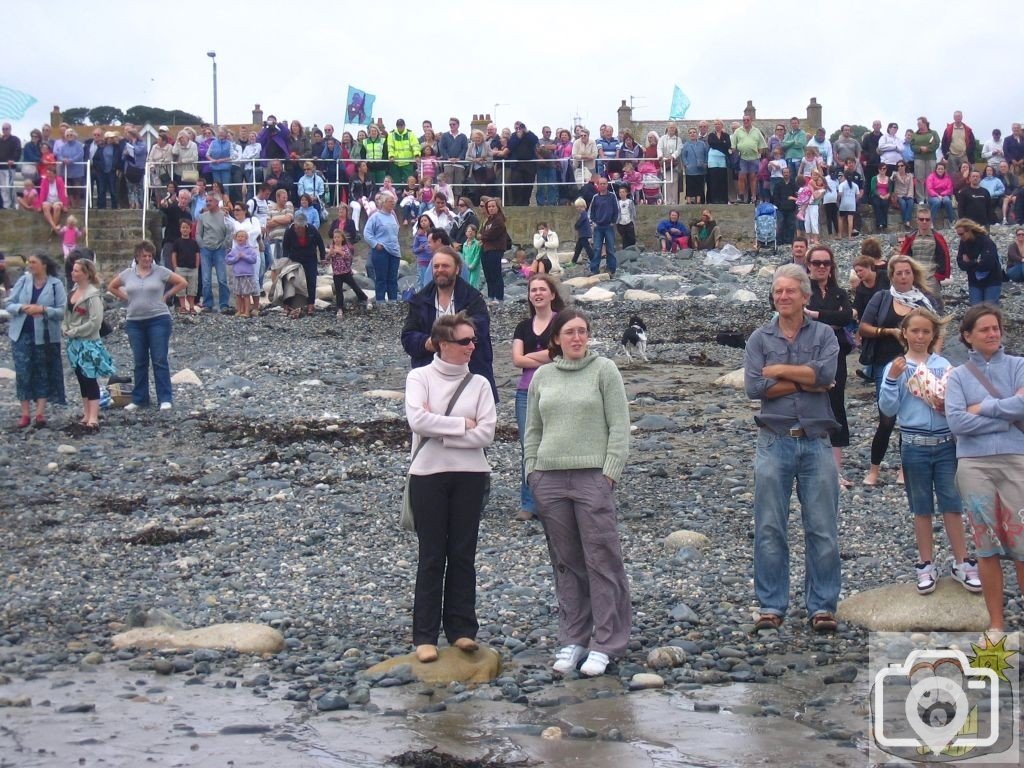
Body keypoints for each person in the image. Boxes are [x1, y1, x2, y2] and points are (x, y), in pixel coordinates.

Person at [525, 308, 631, 675]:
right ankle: (573, 639)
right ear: (555, 338)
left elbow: (619, 426)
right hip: (549, 479)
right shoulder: (542, 375)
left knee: (602, 560)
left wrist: (609, 474)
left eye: (582, 331)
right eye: (569, 332)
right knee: (566, 563)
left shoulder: (604, 371)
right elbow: (533, 429)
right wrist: (531, 471)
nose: (576, 338)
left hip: (592, 478)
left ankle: (606, 642)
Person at [744, 264, 841, 634]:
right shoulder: (759, 339)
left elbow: (826, 376)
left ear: (804, 296)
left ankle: (822, 606)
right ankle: (771, 605)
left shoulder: (825, 335)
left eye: (789, 291)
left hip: (816, 441)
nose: (782, 297)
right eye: (777, 292)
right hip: (773, 440)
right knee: (770, 527)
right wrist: (806, 381)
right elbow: (755, 388)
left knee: (822, 528)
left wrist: (779, 370)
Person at [404, 312, 496, 663]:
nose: (473, 346)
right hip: (428, 475)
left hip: (471, 475)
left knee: (463, 553)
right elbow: (417, 420)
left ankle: (461, 630)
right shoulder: (419, 377)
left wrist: (442, 430)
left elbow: (486, 434)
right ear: (443, 345)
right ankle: (424, 635)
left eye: (474, 340)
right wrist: (462, 425)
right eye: (465, 341)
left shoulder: (481, 385)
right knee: (431, 555)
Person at [878, 308, 982, 595]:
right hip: (914, 444)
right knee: (921, 506)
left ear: (933, 334)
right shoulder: (895, 367)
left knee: (952, 504)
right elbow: (887, 410)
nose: (920, 336)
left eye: (926, 331)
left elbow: (956, 402)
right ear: (905, 334)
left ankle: (961, 561)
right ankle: (926, 563)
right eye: (915, 331)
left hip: (946, 444)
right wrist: (890, 380)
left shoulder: (944, 365)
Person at [945, 305, 1024, 632]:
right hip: (974, 465)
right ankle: (995, 624)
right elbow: (957, 422)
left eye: (996, 328)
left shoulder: (1019, 365)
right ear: (967, 336)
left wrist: (985, 408)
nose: (993, 334)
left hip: (1016, 462)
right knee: (986, 545)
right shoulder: (958, 376)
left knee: (1022, 544)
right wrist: (1003, 418)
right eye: (984, 330)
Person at [859, 255, 943, 486]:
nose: (904, 277)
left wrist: (934, 358)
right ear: (891, 276)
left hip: (918, 365)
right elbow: (863, 327)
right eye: (899, 273)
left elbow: (938, 329)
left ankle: (904, 470)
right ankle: (874, 469)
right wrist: (887, 332)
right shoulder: (882, 297)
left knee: (910, 417)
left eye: (907, 272)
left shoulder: (926, 300)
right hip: (885, 363)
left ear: (913, 274)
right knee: (886, 418)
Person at [401, 247, 497, 403]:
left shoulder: (472, 298)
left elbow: (480, 327)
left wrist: (448, 340)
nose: (440, 270)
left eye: (445, 266)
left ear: (457, 269)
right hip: (431, 374)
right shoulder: (420, 299)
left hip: (469, 373)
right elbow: (408, 336)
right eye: (436, 266)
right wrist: (428, 343)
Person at [107, 241, 187, 411]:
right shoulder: (128, 274)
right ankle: (139, 398)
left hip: (158, 319)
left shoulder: (160, 272)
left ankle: (165, 398)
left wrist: (167, 295)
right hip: (134, 321)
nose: (147, 259)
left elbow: (181, 282)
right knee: (139, 361)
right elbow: (112, 286)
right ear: (137, 256)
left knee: (159, 359)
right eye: (144, 255)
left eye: (150, 256)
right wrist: (125, 298)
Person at [512, 274, 565, 522]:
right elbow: (516, 360)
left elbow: (561, 352)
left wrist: (534, 357)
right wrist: (546, 354)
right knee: (528, 447)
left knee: (554, 444)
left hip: (556, 390)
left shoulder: (561, 323)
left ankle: (554, 501)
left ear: (552, 294)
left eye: (542, 289)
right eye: (533, 290)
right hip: (526, 392)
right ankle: (529, 502)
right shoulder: (523, 326)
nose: (538, 294)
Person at [804, 246, 854, 487]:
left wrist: (814, 315)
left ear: (832, 266)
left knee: (836, 406)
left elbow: (847, 318)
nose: (821, 267)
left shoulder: (839, 292)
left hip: (836, 356)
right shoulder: (804, 291)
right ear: (809, 265)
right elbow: (798, 316)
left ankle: (835, 470)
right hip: (807, 355)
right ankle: (809, 466)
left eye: (826, 263)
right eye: (816, 262)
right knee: (809, 404)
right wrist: (829, 318)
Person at [6, 253, 66, 427]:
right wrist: (22, 307)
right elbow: (9, 303)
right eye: (29, 262)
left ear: (44, 264)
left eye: (33, 262)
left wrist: (43, 309)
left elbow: (62, 311)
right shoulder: (23, 281)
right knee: (23, 373)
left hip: (46, 336)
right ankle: (25, 413)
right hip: (21, 334)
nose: (30, 265)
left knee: (43, 371)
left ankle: (40, 413)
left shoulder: (56, 284)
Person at [62, 258, 115, 432]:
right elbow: (67, 315)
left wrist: (76, 330)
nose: (73, 273)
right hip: (74, 344)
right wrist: (65, 327)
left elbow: (96, 322)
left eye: (77, 270)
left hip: (89, 343)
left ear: (86, 274)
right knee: (81, 379)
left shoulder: (93, 295)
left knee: (90, 378)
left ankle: (94, 416)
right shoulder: (73, 291)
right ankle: (86, 414)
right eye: (73, 270)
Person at [282, 211, 326, 316]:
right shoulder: (289, 231)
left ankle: (311, 303)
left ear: (305, 225)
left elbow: (320, 243)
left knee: (311, 279)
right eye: (297, 227)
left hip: (310, 257)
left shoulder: (311, 229)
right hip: (295, 257)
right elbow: (285, 247)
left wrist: (323, 257)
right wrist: (285, 260)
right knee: (290, 280)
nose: (298, 229)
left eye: (301, 227)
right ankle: (287, 304)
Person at [195, 195, 233, 313]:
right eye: (206, 201)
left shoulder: (224, 216)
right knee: (206, 279)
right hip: (206, 250)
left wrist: (225, 245)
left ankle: (224, 304)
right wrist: (202, 245)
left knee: (222, 278)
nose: (207, 203)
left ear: (217, 202)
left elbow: (229, 231)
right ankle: (207, 304)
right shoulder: (202, 217)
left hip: (220, 250)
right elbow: (197, 233)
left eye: (210, 201)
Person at [954, 218, 1002, 306]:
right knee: (975, 310)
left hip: (992, 280)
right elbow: (961, 264)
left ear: (969, 230)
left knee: (989, 310)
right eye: (958, 234)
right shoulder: (963, 243)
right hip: (974, 281)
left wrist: (970, 262)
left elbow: (987, 264)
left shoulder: (986, 241)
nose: (960, 237)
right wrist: (976, 262)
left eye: (961, 234)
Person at [899, 208, 951, 283]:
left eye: (927, 219)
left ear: (931, 220)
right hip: (913, 278)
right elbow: (905, 256)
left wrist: (938, 275)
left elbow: (943, 257)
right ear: (917, 220)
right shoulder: (910, 237)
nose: (924, 222)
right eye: (921, 219)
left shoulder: (937, 238)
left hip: (931, 279)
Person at [731, 115, 767, 204]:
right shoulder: (738, 131)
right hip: (742, 158)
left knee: (753, 178)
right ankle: (741, 197)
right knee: (741, 177)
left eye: (747, 120)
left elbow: (762, 145)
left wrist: (759, 154)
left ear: (751, 120)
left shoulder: (757, 131)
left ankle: (753, 198)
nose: (745, 121)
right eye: (744, 120)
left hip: (754, 158)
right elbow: (733, 146)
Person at [225, 230, 260, 318]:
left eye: (242, 236)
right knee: (238, 294)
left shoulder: (250, 249)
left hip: (247, 275)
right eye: (238, 236)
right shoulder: (234, 250)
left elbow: (253, 259)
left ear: (246, 238)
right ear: (235, 238)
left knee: (246, 294)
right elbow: (228, 260)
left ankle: (246, 311)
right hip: (237, 275)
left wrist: (244, 256)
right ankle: (239, 310)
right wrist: (236, 257)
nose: (240, 238)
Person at [479, 198, 507, 301]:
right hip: (486, 249)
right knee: (488, 274)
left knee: (496, 274)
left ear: (497, 207)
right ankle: (491, 295)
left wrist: (482, 237)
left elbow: (490, 234)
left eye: (493, 206)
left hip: (495, 249)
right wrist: (483, 236)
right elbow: (483, 232)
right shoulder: (488, 220)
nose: (490, 208)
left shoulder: (499, 220)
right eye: (489, 207)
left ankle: (499, 297)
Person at [588, 178, 617, 275]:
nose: (603, 185)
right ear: (598, 185)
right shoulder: (595, 197)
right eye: (601, 184)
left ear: (607, 185)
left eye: (604, 183)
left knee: (610, 249)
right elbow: (591, 211)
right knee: (596, 249)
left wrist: (614, 221)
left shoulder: (612, 196)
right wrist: (593, 222)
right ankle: (594, 270)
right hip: (598, 227)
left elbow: (617, 210)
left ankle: (611, 269)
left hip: (609, 226)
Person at [170, 219, 200, 314]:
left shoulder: (194, 243)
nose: (185, 229)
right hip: (180, 268)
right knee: (181, 290)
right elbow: (174, 254)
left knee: (192, 289)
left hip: (192, 269)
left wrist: (197, 266)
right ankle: (183, 307)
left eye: (187, 228)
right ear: (180, 229)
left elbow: (197, 254)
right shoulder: (177, 242)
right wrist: (175, 266)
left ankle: (191, 307)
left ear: (190, 229)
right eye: (183, 227)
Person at [911, 118, 940, 204]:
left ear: (925, 123)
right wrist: (920, 149)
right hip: (918, 158)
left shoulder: (933, 133)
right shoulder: (915, 135)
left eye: (920, 123)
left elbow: (937, 143)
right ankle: (920, 199)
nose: (918, 125)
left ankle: (928, 197)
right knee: (919, 178)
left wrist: (928, 149)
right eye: (917, 124)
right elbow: (912, 146)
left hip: (931, 158)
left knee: (930, 178)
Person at [925, 162, 956, 227]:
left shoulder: (947, 177)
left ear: (944, 170)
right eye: (939, 169)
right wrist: (937, 195)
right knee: (937, 201)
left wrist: (942, 194)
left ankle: (952, 221)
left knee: (947, 201)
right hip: (933, 196)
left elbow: (949, 188)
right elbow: (929, 189)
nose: (940, 170)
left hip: (944, 195)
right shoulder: (931, 176)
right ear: (936, 169)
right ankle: (931, 222)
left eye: (942, 169)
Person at [892, 160, 916, 229]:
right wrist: (893, 176)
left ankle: (906, 221)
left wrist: (909, 195)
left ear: (905, 166)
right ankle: (907, 221)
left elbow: (911, 186)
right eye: (898, 166)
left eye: (902, 165)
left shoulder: (910, 175)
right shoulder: (895, 174)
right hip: (898, 195)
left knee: (911, 203)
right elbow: (891, 180)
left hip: (907, 194)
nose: (900, 167)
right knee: (903, 204)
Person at [870, 163, 892, 232]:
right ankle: (879, 223)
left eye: (884, 168)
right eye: (881, 169)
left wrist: (888, 194)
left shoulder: (888, 179)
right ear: (878, 170)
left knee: (885, 204)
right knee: (877, 204)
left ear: (886, 169)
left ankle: (884, 224)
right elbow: (873, 189)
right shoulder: (874, 178)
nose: (882, 170)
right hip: (876, 196)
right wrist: (880, 195)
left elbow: (890, 190)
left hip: (885, 196)